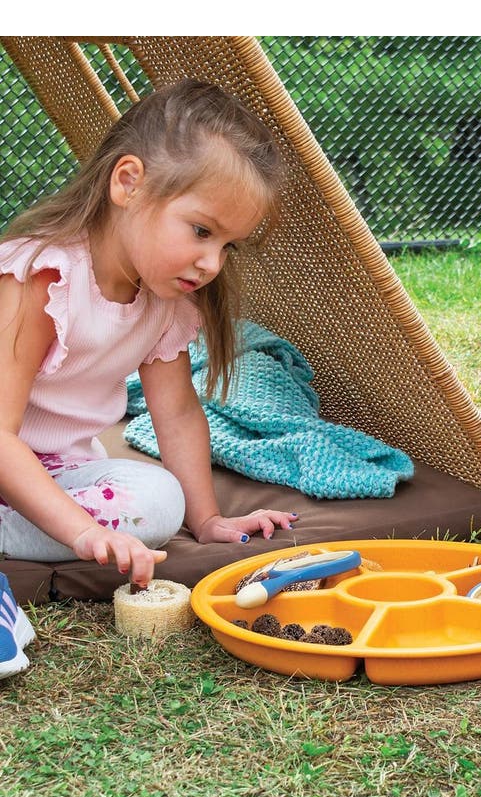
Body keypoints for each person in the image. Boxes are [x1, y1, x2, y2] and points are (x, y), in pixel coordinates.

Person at [0, 79, 298, 659]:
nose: (211, 263)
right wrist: (84, 532)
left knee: (159, 499)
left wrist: (206, 519)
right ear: (129, 183)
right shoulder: (43, 279)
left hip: (55, 471)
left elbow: (178, 413)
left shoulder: (164, 302)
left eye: (227, 246)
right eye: (202, 231)